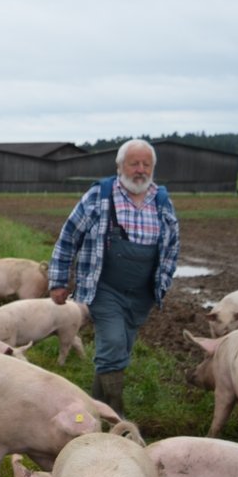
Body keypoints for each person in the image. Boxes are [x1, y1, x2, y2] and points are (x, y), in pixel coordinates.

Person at [48, 138, 180, 415]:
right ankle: (117, 416)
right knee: (113, 344)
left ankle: (94, 412)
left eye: (146, 164)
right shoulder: (100, 196)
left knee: (119, 353)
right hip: (104, 287)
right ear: (120, 166)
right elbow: (68, 237)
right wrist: (59, 281)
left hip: (142, 294)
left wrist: (163, 284)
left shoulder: (162, 201)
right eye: (134, 164)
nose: (140, 170)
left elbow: (172, 248)